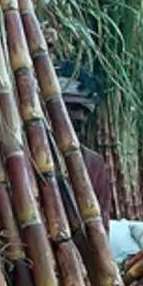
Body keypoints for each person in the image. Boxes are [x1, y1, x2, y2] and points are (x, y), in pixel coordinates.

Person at [57, 63, 113, 228]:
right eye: (73, 107)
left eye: (85, 111)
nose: (81, 117)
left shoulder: (93, 163)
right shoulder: (23, 156)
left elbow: (101, 225)